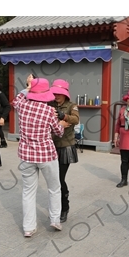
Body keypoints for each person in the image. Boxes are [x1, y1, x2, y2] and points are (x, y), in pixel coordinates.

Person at [12, 75, 69, 238]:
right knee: (54, 187)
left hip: (26, 154)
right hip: (46, 154)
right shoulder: (48, 110)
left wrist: (29, 86)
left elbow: (16, 99)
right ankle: (55, 219)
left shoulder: (22, 105)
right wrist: (62, 126)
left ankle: (28, 228)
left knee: (28, 192)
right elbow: (58, 132)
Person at [49, 79, 80, 223]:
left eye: (59, 93)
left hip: (66, 145)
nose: (57, 96)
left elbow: (75, 119)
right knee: (53, 179)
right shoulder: (50, 105)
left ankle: (64, 207)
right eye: (55, 93)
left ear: (65, 95)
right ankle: (56, 206)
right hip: (51, 145)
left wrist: (63, 116)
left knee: (60, 178)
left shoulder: (72, 105)